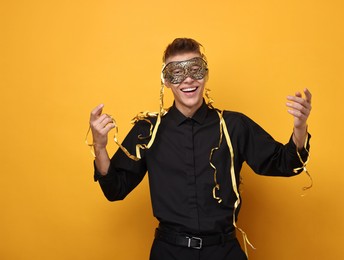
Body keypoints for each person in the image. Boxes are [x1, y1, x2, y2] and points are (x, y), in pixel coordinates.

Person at [88, 38, 312, 260]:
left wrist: (300, 128)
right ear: (166, 80)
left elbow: (286, 163)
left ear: (205, 74)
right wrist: (99, 146)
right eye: (177, 72)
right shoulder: (147, 130)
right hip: (169, 252)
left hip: (224, 251)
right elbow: (115, 189)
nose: (187, 79)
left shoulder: (234, 125)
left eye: (195, 69)